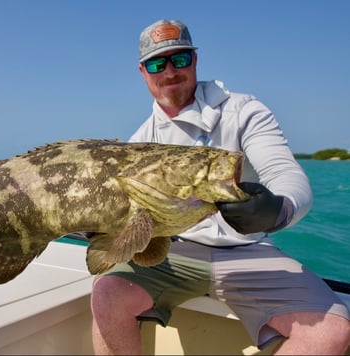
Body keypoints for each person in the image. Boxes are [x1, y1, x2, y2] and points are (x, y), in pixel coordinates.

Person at [91, 19, 350, 355]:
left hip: (249, 250)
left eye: (179, 59)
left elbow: (285, 173)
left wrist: (276, 210)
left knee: (332, 331)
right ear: (144, 72)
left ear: (195, 60)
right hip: (175, 250)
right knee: (106, 294)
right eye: (158, 63)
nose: (169, 71)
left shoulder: (244, 111)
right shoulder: (139, 142)